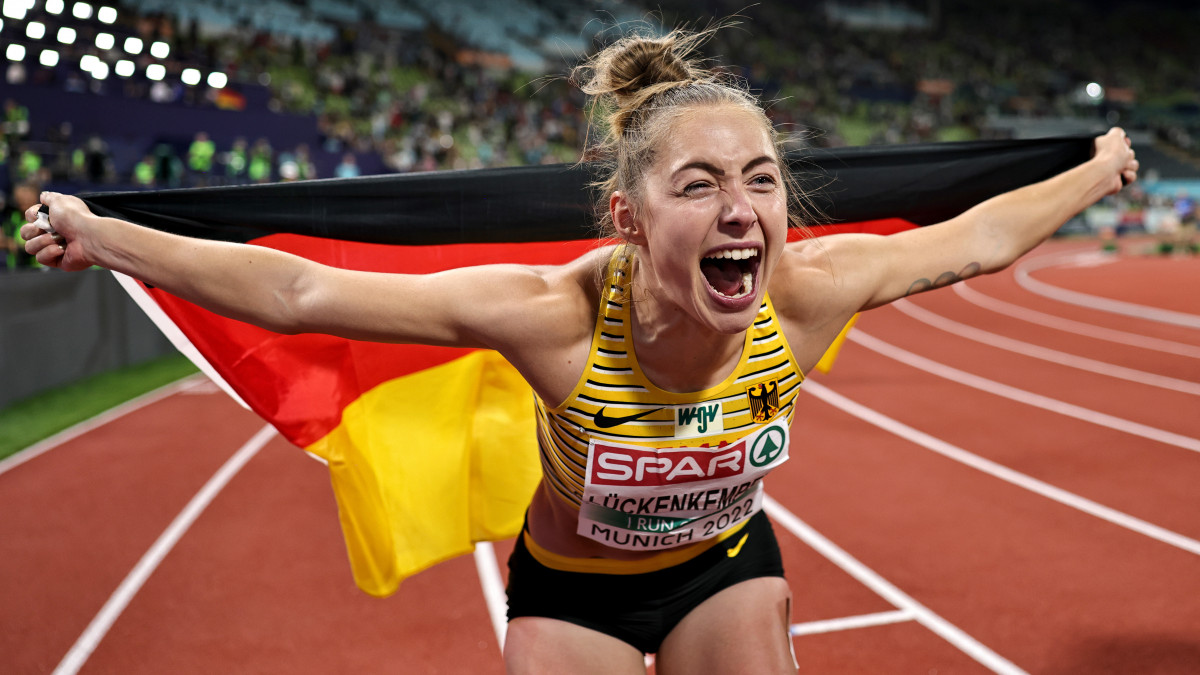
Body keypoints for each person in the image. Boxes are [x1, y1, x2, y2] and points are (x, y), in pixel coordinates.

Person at [22, 27, 1136, 675]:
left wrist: (1101, 169)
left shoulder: (808, 292)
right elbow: (304, 288)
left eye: (760, 181)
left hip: (722, 568)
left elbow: (980, 238)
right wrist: (107, 234)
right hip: (576, 595)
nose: (740, 208)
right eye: (698, 185)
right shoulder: (554, 315)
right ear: (629, 217)